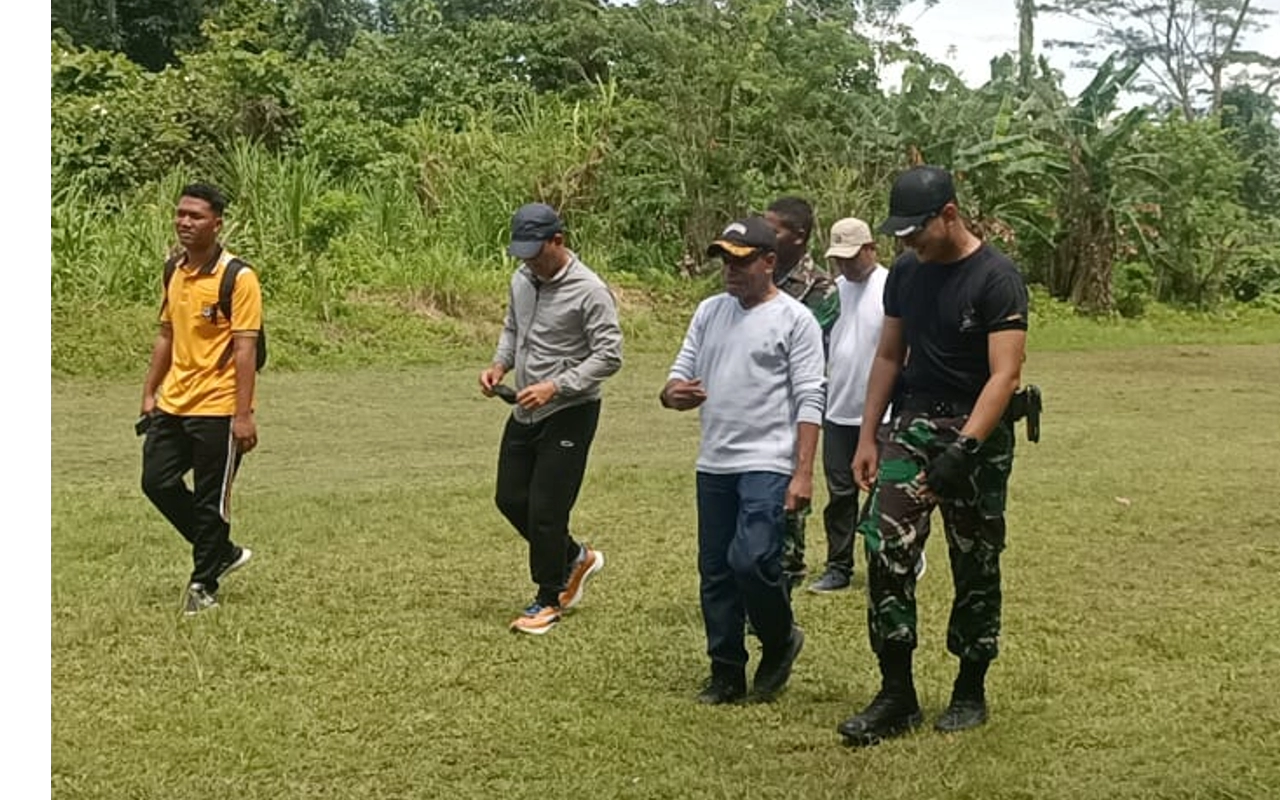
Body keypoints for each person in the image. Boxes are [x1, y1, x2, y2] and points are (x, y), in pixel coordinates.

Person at [836, 166, 1029, 745]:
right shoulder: (906, 274)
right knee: (885, 549)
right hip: (912, 423)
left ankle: (970, 686)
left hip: (977, 428)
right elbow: (890, 356)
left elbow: (1006, 374)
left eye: (917, 231)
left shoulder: (997, 277)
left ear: (950, 214)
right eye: (900, 235)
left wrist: (966, 447)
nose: (909, 243)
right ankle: (897, 693)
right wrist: (869, 435)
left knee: (975, 558)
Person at [661, 216, 826, 704]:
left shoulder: (796, 320)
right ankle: (726, 670)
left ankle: (779, 639)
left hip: (768, 461)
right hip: (715, 461)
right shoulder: (710, 312)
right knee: (714, 570)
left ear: (769, 262)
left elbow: (810, 398)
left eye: (741, 261)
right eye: (724, 261)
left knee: (751, 560)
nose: (730, 272)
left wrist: (803, 472)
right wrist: (673, 396)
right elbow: (677, 376)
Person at [479, 202, 623, 636]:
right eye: (522, 255)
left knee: (546, 509)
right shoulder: (523, 279)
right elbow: (513, 328)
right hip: (526, 408)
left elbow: (610, 356)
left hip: (570, 411)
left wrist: (555, 386)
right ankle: (575, 557)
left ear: (558, 241)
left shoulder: (589, 290)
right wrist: (499, 365)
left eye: (536, 253)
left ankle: (548, 597)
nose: (530, 263)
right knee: (509, 498)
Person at [140, 183, 261, 616]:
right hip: (174, 402)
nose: (185, 222)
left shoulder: (238, 278)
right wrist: (150, 391)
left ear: (217, 223)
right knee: (156, 481)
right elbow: (166, 334)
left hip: (218, 406)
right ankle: (221, 551)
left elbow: (245, 349)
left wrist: (242, 415)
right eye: (180, 214)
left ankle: (203, 584)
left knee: (211, 500)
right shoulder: (174, 270)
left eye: (195, 216)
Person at [806, 217, 889, 594]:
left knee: (883, 493)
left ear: (871, 249)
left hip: (884, 413)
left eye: (852, 257)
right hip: (837, 410)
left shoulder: (891, 288)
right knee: (840, 494)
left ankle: (886, 562)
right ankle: (838, 565)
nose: (845, 265)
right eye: (839, 258)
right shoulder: (833, 292)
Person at [764, 197, 839, 594]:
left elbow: (807, 353)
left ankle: (785, 577)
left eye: (774, 229)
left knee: (788, 498)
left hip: (794, 409)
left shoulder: (821, 289)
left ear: (799, 236)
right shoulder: (757, 273)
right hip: (753, 407)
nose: (766, 236)